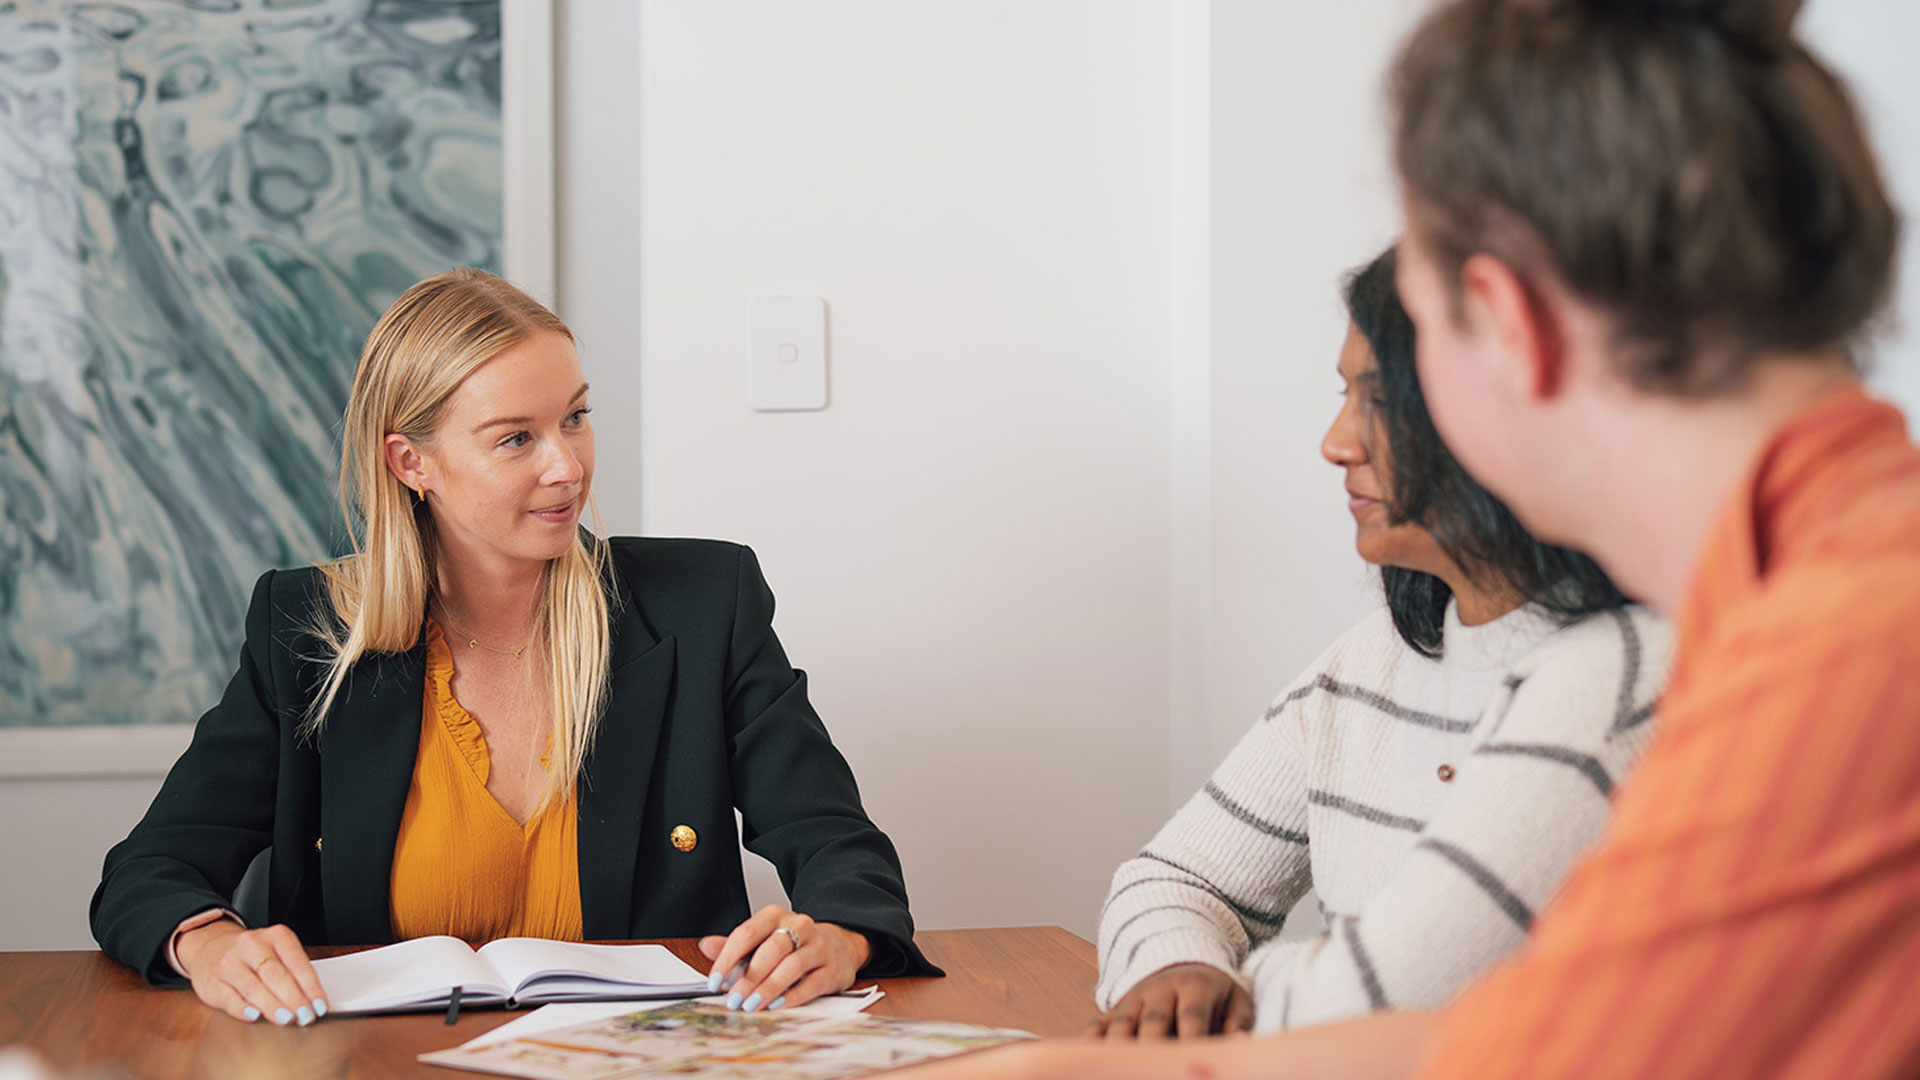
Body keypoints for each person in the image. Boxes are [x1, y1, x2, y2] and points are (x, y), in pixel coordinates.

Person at [904, 0, 1920, 1076]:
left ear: (1507, 321)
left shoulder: (1834, 658)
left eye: (1418, 337)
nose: (1345, 436)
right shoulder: (1812, 590)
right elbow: (1513, 1035)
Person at [90, 268, 939, 1029]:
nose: (568, 466)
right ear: (410, 462)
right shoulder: (308, 631)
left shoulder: (704, 604)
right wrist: (204, 944)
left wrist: (838, 935)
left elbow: (836, 840)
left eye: (576, 416)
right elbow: (152, 868)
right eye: (515, 438)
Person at [1092, 247, 1668, 1041]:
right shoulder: (1368, 663)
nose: (1336, 443)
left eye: (1383, 401)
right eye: (1345, 394)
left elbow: (1384, 1004)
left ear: (1511, 412)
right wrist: (1178, 969)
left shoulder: (1624, 673)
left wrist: (1224, 1000)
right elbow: (1172, 877)